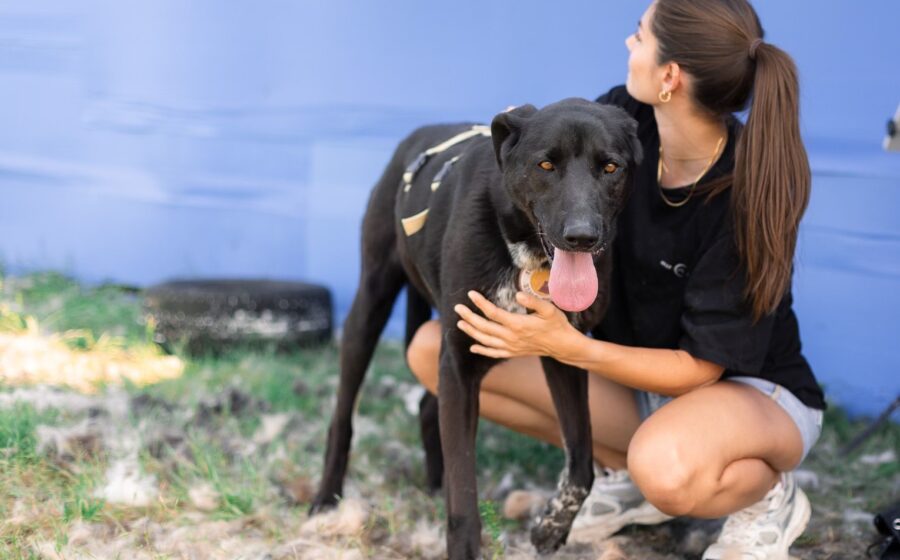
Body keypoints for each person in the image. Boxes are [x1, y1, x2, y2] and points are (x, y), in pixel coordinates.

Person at [405, 0, 827, 558]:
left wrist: (568, 345)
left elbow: (700, 368)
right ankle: (626, 477)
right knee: (430, 349)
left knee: (665, 468)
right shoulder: (622, 121)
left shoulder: (745, 192)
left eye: (639, 36)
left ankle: (768, 497)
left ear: (670, 76)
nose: (629, 45)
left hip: (748, 393)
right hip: (640, 383)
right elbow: (545, 172)